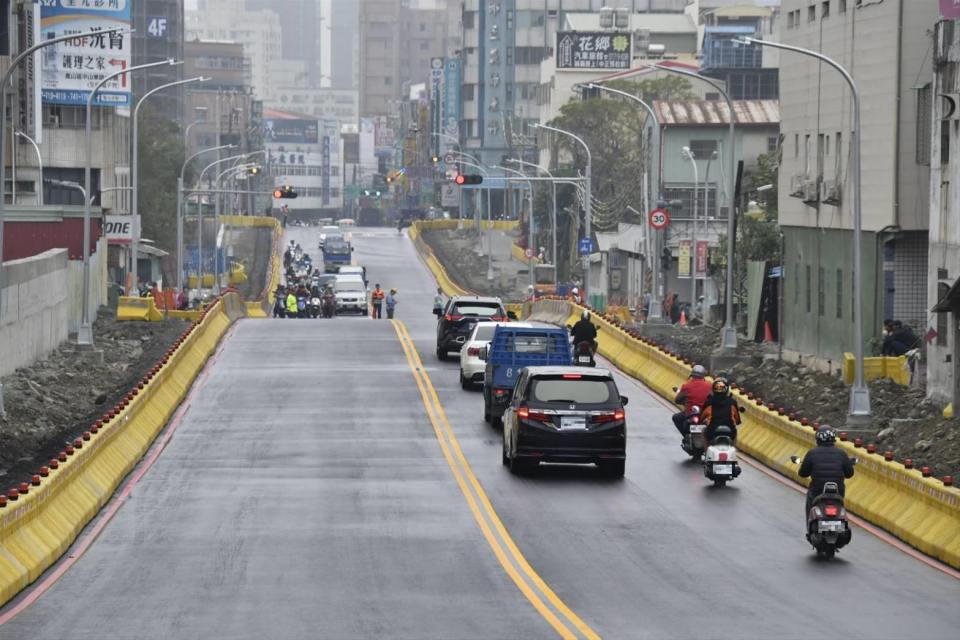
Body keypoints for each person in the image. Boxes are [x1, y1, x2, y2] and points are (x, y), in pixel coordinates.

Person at [798, 427, 855, 523]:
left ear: (817, 439)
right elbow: (849, 474)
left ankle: (810, 524)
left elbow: (803, 474)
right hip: (838, 492)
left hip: (817, 491)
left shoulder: (812, 453)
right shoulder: (841, 454)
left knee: (810, 499)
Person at [672, 365, 712, 438]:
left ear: (692, 375)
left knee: (676, 418)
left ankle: (686, 436)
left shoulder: (686, 386)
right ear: (703, 375)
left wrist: (685, 402)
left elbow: (677, 400)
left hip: (690, 414)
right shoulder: (709, 385)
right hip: (705, 414)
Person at [701, 378, 741, 444]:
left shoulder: (709, 402)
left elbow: (702, 418)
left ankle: (706, 451)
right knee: (735, 431)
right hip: (730, 431)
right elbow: (737, 421)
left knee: (703, 432)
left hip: (712, 431)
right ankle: (733, 448)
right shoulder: (732, 402)